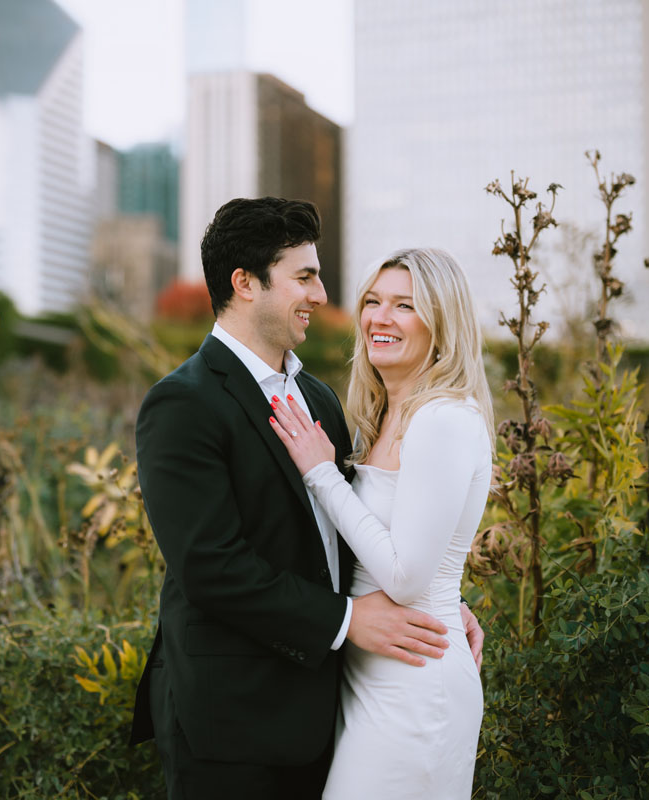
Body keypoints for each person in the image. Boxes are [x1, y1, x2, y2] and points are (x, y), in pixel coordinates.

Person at [129, 199, 484, 800]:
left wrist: (434, 600)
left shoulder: (319, 401)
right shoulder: (183, 404)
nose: (322, 296)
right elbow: (210, 566)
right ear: (245, 284)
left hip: (328, 709)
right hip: (231, 717)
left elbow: (348, 533)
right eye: (305, 277)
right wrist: (350, 618)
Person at [267, 247, 493, 798]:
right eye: (372, 301)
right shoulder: (383, 416)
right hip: (369, 675)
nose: (379, 318)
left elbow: (408, 577)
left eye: (404, 306)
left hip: (416, 682)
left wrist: (323, 475)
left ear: (442, 324)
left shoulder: (442, 420)